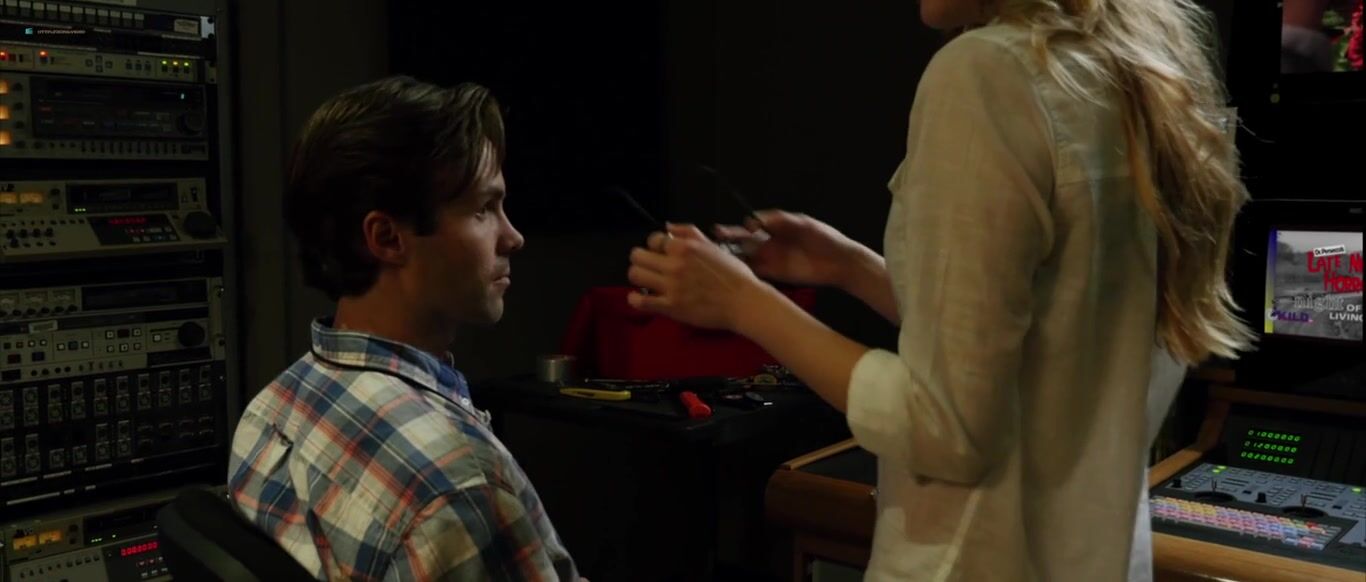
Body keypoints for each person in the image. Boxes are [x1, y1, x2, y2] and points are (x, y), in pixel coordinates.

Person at [626, 0, 1254, 580]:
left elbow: (945, 430)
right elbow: (1047, 343)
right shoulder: (1139, 76)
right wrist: (855, 269)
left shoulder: (989, 73)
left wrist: (743, 304)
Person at [227, 76, 580, 581]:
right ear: (388, 238)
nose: (514, 237)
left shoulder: (270, 411)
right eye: (483, 208)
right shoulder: (459, 492)